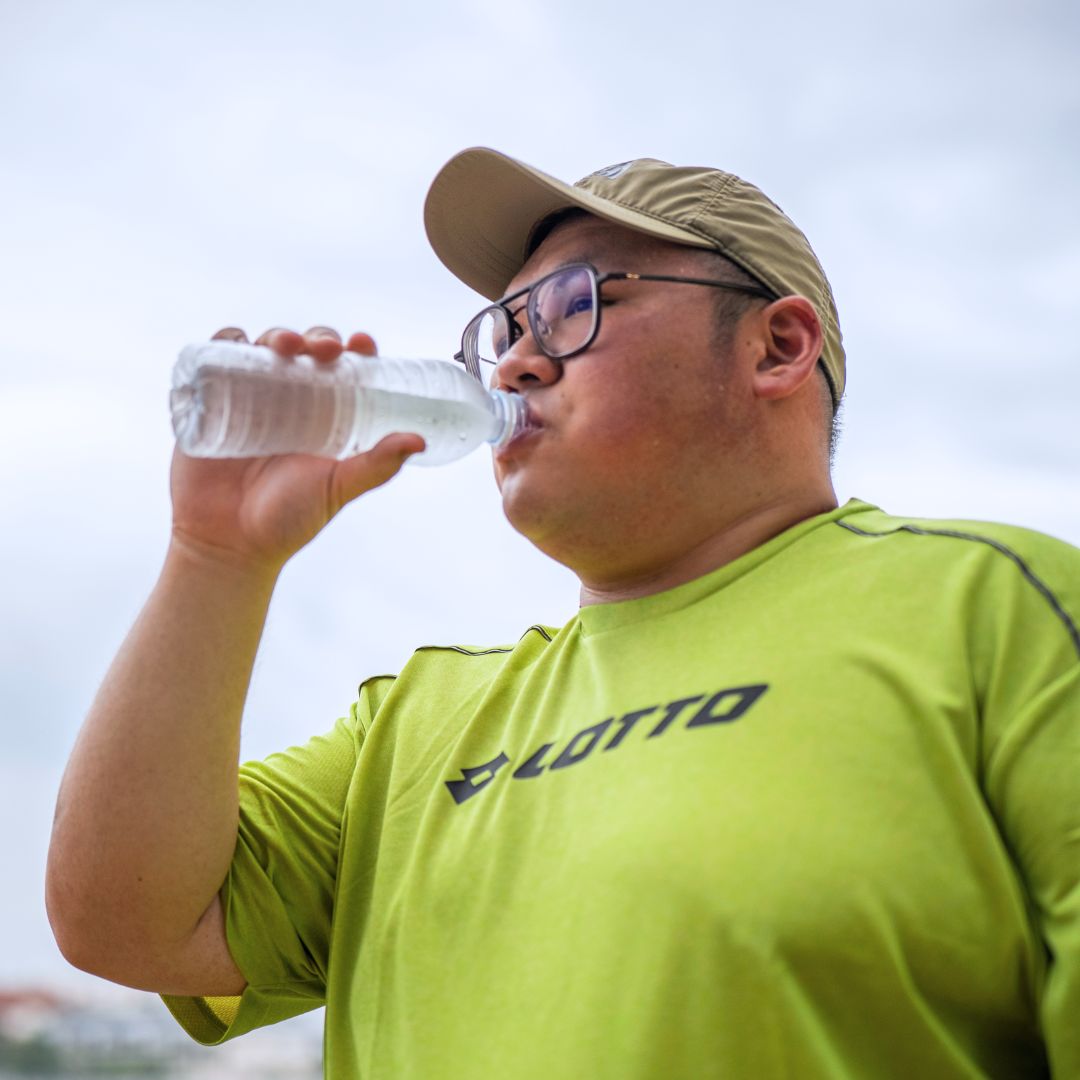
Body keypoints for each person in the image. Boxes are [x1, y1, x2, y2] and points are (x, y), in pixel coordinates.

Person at [46, 148, 1080, 1078]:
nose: (515, 362)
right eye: (506, 326)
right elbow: (123, 925)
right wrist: (214, 558)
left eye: (575, 306)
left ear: (778, 346)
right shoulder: (413, 725)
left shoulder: (999, 611)